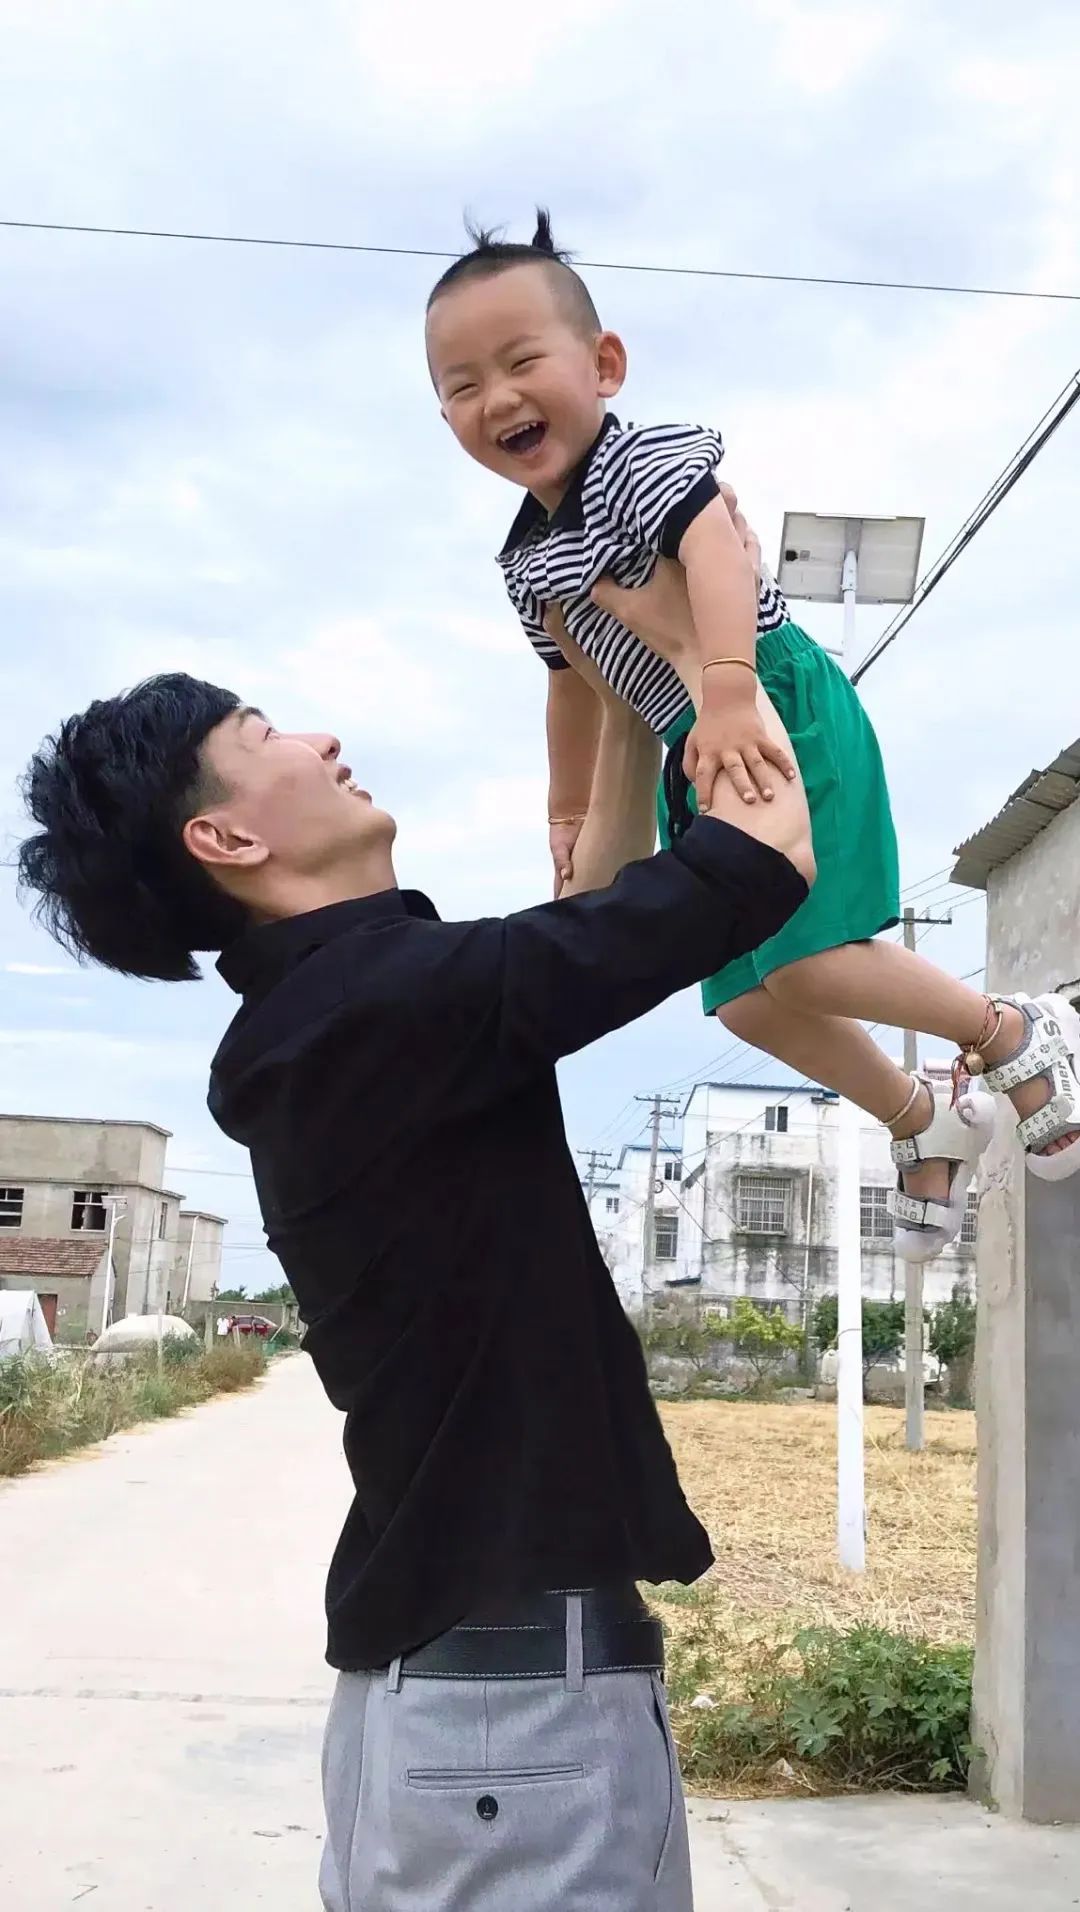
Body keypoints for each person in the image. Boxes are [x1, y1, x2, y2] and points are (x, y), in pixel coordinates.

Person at [16, 620, 812, 1910]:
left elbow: (588, 922)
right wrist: (706, 655)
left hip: (479, 1722)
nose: (323, 739)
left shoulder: (343, 1019)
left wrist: (611, 698)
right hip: (517, 1735)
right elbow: (760, 860)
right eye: (265, 735)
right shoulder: (388, 1005)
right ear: (226, 838)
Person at [425, 209, 1080, 1264]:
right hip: (689, 743)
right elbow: (571, 686)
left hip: (769, 694)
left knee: (809, 962)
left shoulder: (638, 464)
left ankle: (1013, 1031)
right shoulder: (525, 560)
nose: (496, 397)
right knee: (742, 999)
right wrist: (566, 808)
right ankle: (919, 1117)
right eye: (461, 385)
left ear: (604, 365)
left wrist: (729, 685)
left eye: (521, 361)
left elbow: (716, 550)